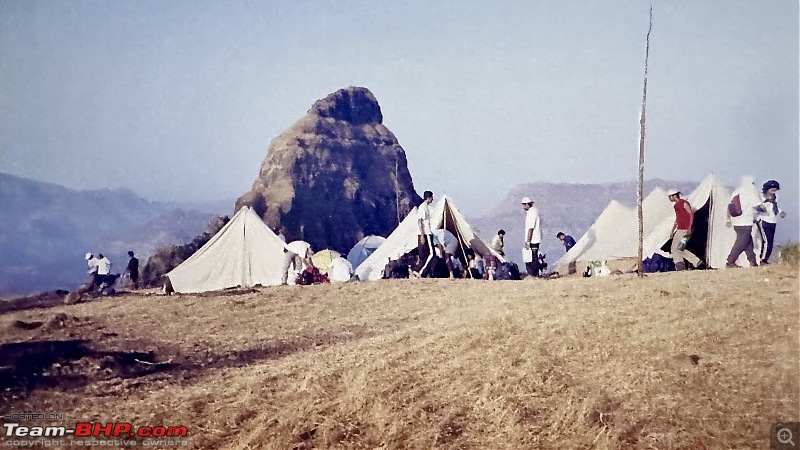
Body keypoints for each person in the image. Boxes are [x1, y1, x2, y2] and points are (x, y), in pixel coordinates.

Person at [726, 176, 765, 268]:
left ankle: (753, 262)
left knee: (747, 241)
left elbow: (729, 206)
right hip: (745, 221)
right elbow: (757, 206)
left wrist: (728, 219)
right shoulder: (751, 191)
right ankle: (730, 261)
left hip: (736, 220)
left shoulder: (737, 191)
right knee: (741, 243)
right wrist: (765, 210)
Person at [667, 189, 703, 271]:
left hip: (684, 230)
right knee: (676, 248)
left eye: (669, 197)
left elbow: (690, 214)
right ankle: (682, 265)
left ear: (673, 196)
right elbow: (678, 218)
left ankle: (695, 262)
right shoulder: (676, 205)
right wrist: (673, 230)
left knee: (677, 248)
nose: (669, 199)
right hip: (680, 229)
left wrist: (689, 227)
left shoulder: (683, 203)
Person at [757, 180, 785, 264]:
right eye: (771, 190)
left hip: (772, 221)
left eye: (775, 190)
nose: (773, 192)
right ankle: (762, 260)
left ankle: (765, 259)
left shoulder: (775, 197)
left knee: (770, 242)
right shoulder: (760, 197)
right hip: (764, 220)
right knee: (767, 242)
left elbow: (776, 206)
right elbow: (756, 208)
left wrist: (781, 212)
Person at [414, 191, 436, 274]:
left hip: (426, 233)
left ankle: (422, 271)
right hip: (426, 233)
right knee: (432, 253)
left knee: (426, 254)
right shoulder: (423, 207)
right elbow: (420, 221)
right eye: (432, 198)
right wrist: (422, 235)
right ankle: (420, 271)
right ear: (429, 198)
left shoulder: (426, 207)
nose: (433, 199)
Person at [522, 197, 542, 277]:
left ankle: (534, 273)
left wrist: (528, 241)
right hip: (535, 238)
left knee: (532, 257)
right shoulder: (533, 212)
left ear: (527, 204)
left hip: (533, 239)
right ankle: (534, 273)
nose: (523, 206)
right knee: (533, 256)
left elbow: (531, 228)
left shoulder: (532, 213)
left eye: (524, 204)